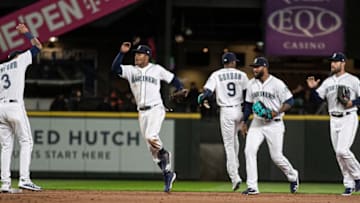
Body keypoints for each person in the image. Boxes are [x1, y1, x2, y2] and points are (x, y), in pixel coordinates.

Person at [111, 42, 188, 192]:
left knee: (151, 136)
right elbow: (115, 69)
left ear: (147, 56)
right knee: (152, 150)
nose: (136, 56)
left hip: (156, 109)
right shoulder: (131, 71)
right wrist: (121, 53)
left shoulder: (156, 69)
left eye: (139, 54)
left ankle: (165, 153)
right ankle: (168, 174)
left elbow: (173, 79)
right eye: (135, 54)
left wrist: (180, 89)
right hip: (142, 112)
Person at [240, 57, 299, 195]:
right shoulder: (251, 84)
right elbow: (248, 105)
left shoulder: (277, 83)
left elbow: (290, 101)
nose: (254, 69)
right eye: (253, 67)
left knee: (277, 157)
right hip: (257, 122)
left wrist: (277, 111)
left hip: (275, 124)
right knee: (249, 150)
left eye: (257, 67)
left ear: (265, 67)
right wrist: (244, 122)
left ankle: (293, 175)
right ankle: (252, 186)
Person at [306, 52, 360, 196]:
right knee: (339, 154)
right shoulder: (328, 82)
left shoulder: (353, 80)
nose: (332, 64)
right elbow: (317, 100)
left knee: (343, 150)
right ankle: (349, 185)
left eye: (335, 62)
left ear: (343, 63)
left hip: (348, 116)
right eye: (331, 62)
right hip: (333, 118)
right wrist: (312, 89)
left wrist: (352, 102)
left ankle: (358, 175)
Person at [197, 52, 249, 191]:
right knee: (235, 141)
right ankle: (235, 168)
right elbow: (247, 95)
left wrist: (202, 98)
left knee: (229, 144)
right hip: (239, 109)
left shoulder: (216, 74)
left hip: (226, 111)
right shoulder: (242, 75)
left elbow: (207, 92)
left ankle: (234, 176)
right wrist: (246, 117)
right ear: (232, 62)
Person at [0, 23, 42, 192]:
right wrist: (27, 34)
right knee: (26, 141)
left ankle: (5, 184)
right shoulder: (19, 61)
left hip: (0, 107)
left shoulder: (0, 68)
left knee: (6, 146)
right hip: (14, 106)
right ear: (17, 57)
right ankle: (24, 179)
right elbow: (38, 46)